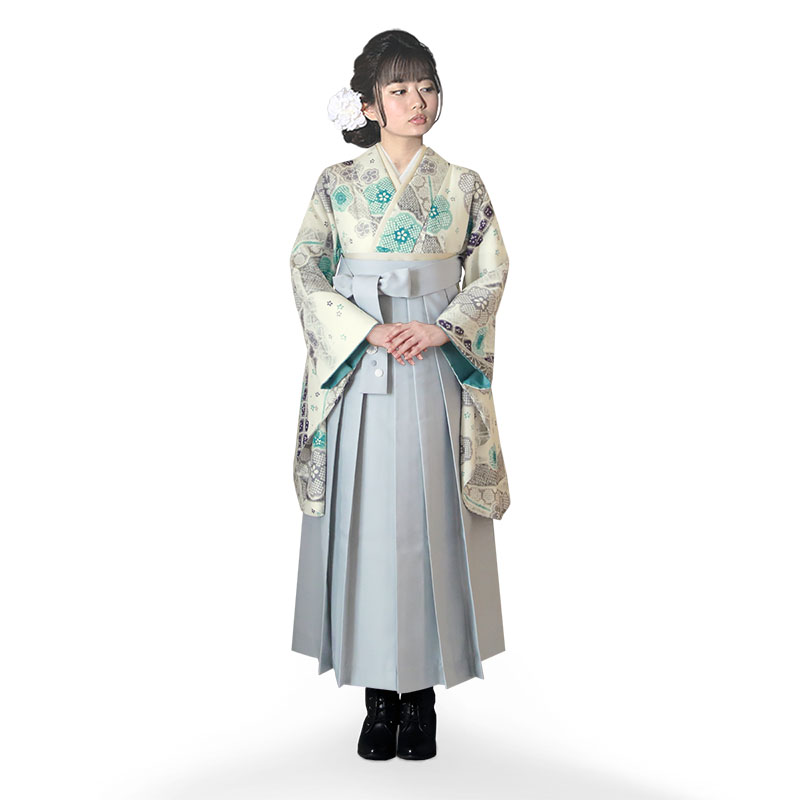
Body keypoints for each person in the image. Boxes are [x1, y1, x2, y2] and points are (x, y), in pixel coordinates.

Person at [289, 29, 511, 760]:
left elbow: (491, 270)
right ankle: (377, 698)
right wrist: (365, 329)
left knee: (430, 517)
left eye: (426, 86)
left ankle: (420, 699)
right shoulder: (337, 182)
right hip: (364, 359)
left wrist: (444, 328)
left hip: (435, 357)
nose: (418, 101)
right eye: (399, 89)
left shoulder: (463, 185)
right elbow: (306, 266)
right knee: (366, 521)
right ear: (369, 105)